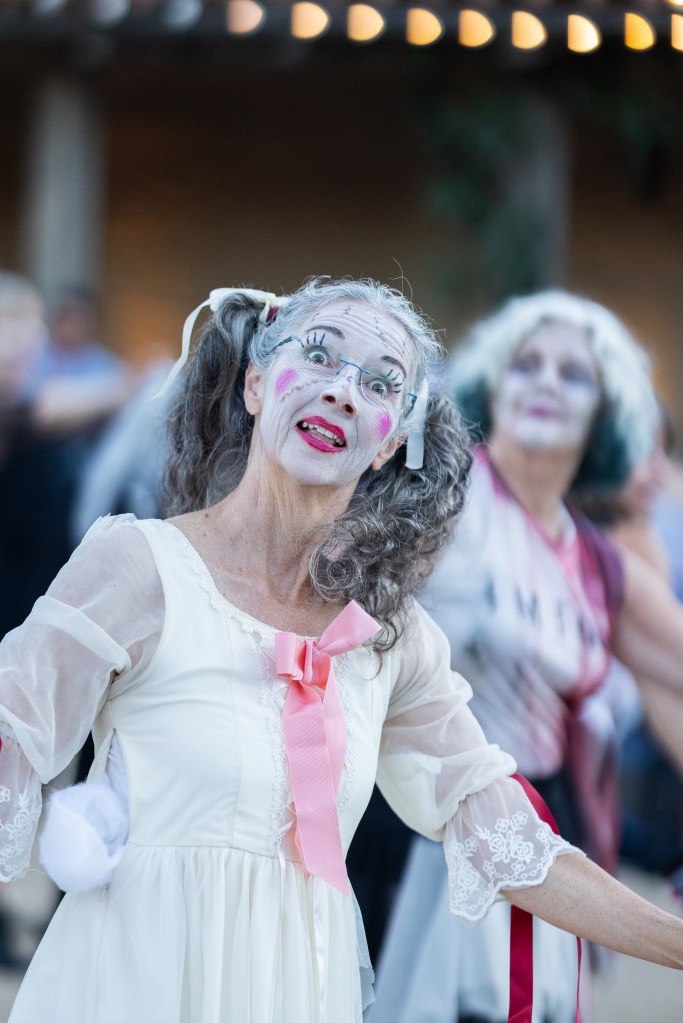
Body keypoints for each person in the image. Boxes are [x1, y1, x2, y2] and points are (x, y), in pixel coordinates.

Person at [2, 280, 683, 1023]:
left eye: (381, 383)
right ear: (256, 384)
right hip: (133, 987)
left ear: (391, 440)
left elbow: (511, 842)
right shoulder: (139, 567)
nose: (342, 391)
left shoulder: (386, 633)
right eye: (319, 356)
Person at [370, 289, 683, 1023]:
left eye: (573, 374)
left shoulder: (596, 560)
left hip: (539, 837)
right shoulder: (441, 496)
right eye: (526, 364)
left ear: (608, 412)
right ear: (492, 383)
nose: (545, 381)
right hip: (411, 832)